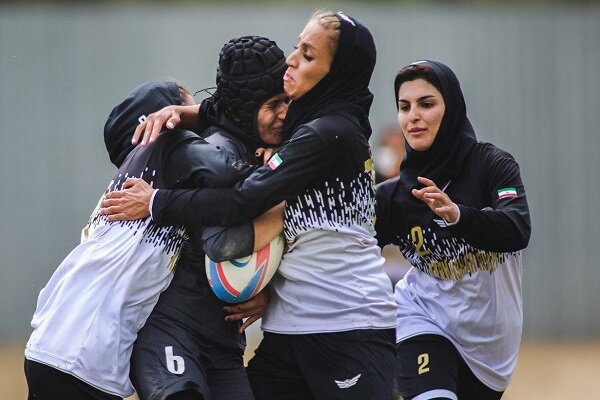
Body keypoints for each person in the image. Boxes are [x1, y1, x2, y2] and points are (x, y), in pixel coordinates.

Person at [102, 11, 397, 400]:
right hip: (289, 328)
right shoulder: (309, 120)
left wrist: (156, 202)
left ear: (336, 72)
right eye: (297, 47)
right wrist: (183, 112)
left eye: (308, 55)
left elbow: (241, 202)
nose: (292, 60)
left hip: (346, 326)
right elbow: (241, 107)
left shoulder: (327, 132)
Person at [24, 80, 261, 399]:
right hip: (79, 357)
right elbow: (231, 174)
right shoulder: (168, 147)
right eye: (187, 107)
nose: (197, 116)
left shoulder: (143, 175)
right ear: (165, 119)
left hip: (60, 347)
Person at [127, 36, 289, 400]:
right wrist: (282, 192)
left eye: (287, 101)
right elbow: (223, 244)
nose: (284, 113)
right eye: (272, 104)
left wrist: (267, 290)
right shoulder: (219, 152)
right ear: (246, 109)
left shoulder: (272, 149)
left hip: (224, 342)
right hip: (172, 329)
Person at [375, 60, 531, 399]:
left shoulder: (492, 165)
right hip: (421, 318)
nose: (413, 116)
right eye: (405, 106)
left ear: (453, 108)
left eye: (426, 104)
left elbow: (517, 228)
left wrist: (460, 217)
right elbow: (348, 252)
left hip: (491, 349)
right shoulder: (391, 196)